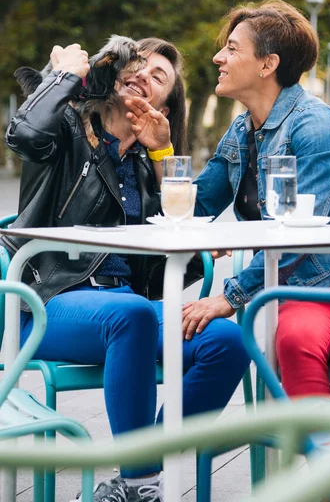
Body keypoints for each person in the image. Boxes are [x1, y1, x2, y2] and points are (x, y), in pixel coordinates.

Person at [4, 35, 250, 502]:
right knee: (133, 315)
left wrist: (162, 154)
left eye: (159, 76)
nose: (144, 76)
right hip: (43, 301)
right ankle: (141, 483)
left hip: (125, 308)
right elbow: (23, 134)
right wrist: (64, 77)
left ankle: (140, 475)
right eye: (137, 66)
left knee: (229, 341)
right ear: (115, 75)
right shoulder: (66, 129)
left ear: (164, 101)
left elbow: (176, 252)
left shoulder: (142, 161)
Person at [178, 0, 330, 502]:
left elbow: (300, 232)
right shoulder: (242, 129)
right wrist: (158, 148)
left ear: (267, 64)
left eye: (231, 48)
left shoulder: (314, 125)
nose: (219, 58)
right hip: (300, 283)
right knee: (294, 344)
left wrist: (229, 296)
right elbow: (198, 203)